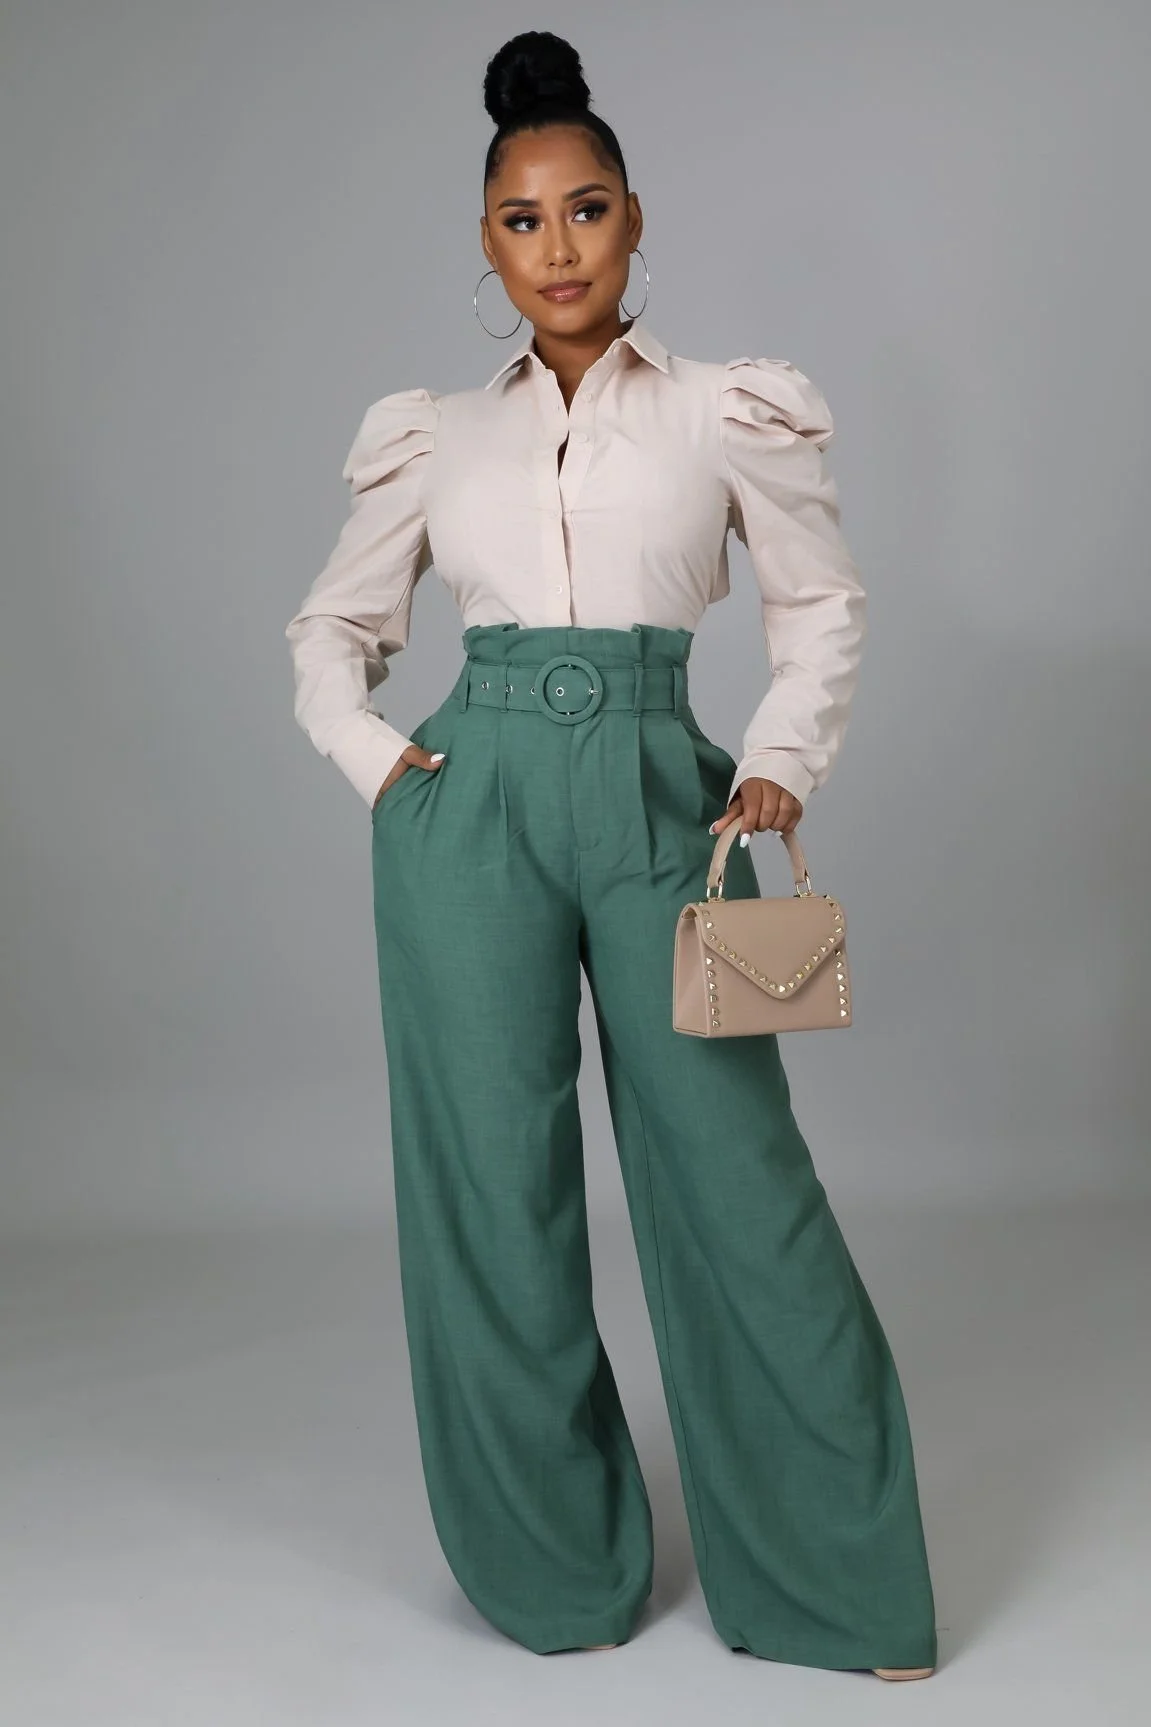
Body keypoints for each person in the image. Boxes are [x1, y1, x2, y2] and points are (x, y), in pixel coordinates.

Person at [284, 28, 938, 1680]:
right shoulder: (433, 433)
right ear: (486, 243)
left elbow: (821, 606)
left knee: (737, 1180)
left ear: (634, 219)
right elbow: (330, 630)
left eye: (585, 211)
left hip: (666, 799)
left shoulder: (726, 411)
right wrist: (384, 770)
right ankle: (553, 1573)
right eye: (522, 220)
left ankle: (835, 1589)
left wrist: (777, 762)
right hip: (471, 805)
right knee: (491, 1191)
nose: (557, 247)